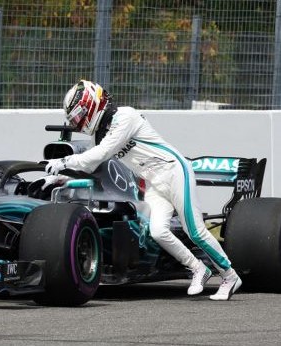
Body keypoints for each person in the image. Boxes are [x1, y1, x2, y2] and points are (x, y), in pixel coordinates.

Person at [44, 80, 242, 300]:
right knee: (158, 231)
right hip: (153, 184)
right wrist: (61, 178)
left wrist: (63, 161)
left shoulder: (125, 117)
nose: (79, 124)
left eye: (79, 117)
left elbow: (100, 154)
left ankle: (230, 276)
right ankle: (198, 268)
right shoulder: (101, 134)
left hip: (175, 171)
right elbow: (92, 164)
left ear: (90, 105)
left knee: (194, 231)